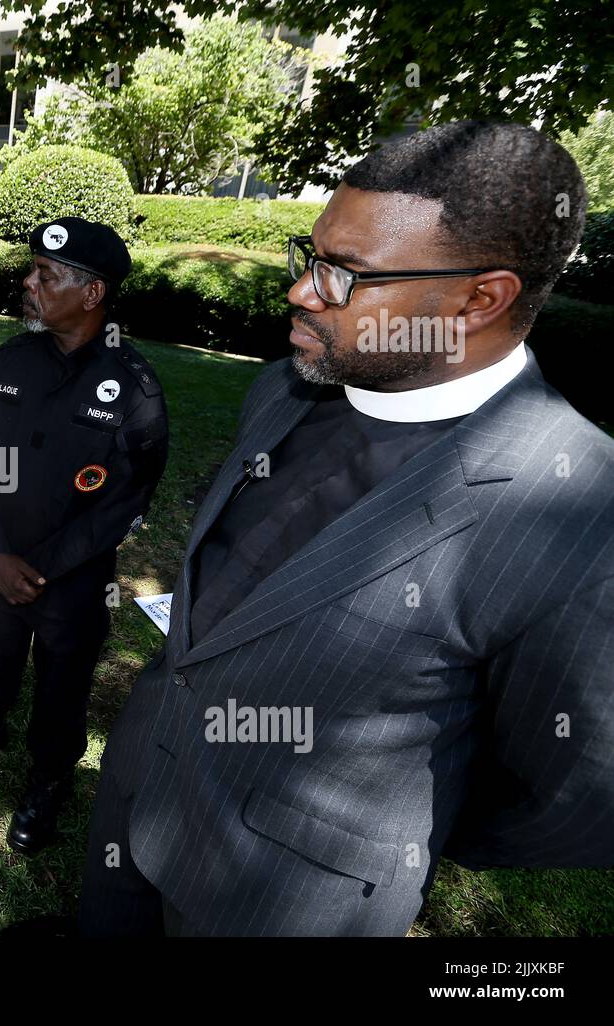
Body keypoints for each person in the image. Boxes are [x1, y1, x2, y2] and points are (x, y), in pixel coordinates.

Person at [76, 121, 614, 937]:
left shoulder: (578, 512)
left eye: (345, 274)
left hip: (284, 903)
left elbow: (579, 796)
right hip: (137, 793)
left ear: (481, 299)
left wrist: (376, 837)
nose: (302, 291)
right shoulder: (283, 389)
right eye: (311, 255)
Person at [0, 217, 169, 856]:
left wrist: (40, 567)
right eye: (32, 270)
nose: (28, 283)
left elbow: (126, 501)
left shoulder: (134, 388)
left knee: (64, 681)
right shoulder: (12, 361)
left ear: (92, 293)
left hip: (72, 577)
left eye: (46, 275)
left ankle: (50, 777)